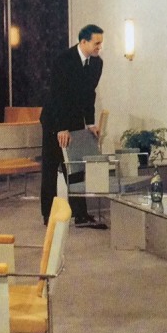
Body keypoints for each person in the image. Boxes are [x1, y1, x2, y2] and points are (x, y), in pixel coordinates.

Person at [40, 24, 106, 228]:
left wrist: (91, 123)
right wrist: (61, 128)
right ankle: (49, 215)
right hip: (55, 120)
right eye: (96, 43)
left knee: (76, 168)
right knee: (51, 168)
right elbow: (56, 95)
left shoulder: (97, 63)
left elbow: (89, 95)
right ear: (83, 42)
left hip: (76, 120)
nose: (99, 47)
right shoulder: (63, 60)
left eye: (101, 43)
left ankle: (80, 214)